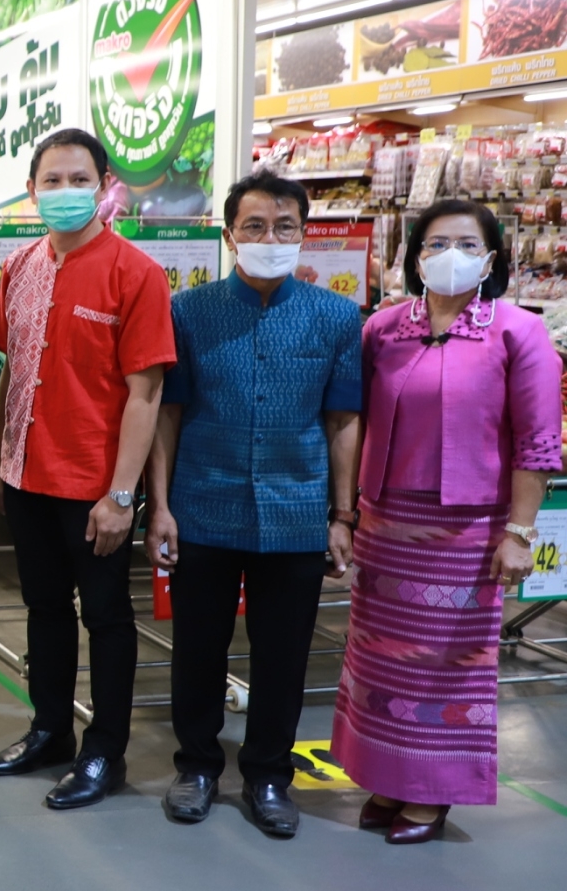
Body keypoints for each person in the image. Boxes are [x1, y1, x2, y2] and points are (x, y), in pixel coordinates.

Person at [332, 198, 561, 844]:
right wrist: (345, 512)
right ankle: (387, 777)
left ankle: (431, 793)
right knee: (382, 660)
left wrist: (519, 533)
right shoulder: (383, 329)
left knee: (447, 662)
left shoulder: (518, 332)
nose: (448, 255)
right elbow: (354, 422)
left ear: (491, 259)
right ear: (414, 258)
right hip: (386, 524)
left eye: (465, 244)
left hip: (468, 531)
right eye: (434, 244)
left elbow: (538, 443)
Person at [145, 174, 362, 838]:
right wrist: (160, 506)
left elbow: (343, 420)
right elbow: (167, 414)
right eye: (256, 226)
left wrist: (342, 516)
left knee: (284, 654)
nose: (271, 237)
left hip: (297, 511)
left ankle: (269, 774)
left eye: (285, 226)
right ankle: (197, 765)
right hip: (203, 505)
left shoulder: (336, 316)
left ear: (304, 232)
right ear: (229, 234)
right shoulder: (190, 312)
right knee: (198, 647)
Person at [0, 129, 175, 809]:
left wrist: (122, 496)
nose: (65, 191)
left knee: (106, 616)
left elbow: (146, 394)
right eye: (52, 180)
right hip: (25, 476)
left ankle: (105, 751)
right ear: (32, 190)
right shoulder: (19, 267)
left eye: (78, 179)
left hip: (94, 484)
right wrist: (0, 462)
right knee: (43, 609)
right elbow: (11, 372)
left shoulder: (136, 273)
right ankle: (50, 728)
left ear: (105, 184)